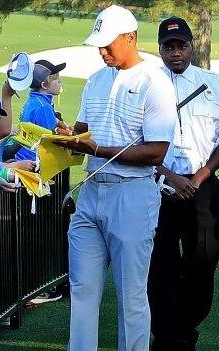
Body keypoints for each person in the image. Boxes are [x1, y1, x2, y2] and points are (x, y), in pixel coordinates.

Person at [57, 6, 177, 350]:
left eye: (108, 45)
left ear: (130, 38)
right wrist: (67, 135)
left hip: (132, 195)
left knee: (131, 295)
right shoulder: (96, 79)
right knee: (82, 290)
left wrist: (96, 150)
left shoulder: (154, 82)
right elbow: (84, 130)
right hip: (91, 193)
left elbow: (156, 151)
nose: (102, 51)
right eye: (99, 45)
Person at [148, 16, 219, 351]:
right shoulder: (147, 84)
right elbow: (137, 141)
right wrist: (172, 178)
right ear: (160, 48)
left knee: (202, 263)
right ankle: (167, 337)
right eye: (169, 46)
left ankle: (184, 328)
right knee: (159, 265)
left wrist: (198, 177)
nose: (176, 52)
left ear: (191, 46)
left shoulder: (212, 83)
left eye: (182, 45)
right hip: (156, 184)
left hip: (202, 185)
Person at [15, 59, 68, 161]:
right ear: (44, 85)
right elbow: (51, 140)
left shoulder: (31, 101)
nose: (60, 82)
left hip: (24, 157)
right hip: (36, 161)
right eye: (56, 79)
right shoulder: (44, 107)